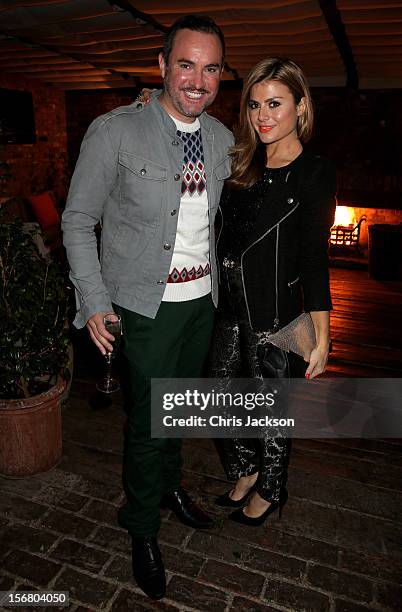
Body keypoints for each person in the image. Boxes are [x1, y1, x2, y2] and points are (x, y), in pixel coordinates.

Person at [62, 15, 233, 600]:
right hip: (144, 306)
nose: (197, 80)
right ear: (161, 65)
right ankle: (140, 526)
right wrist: (93, 303)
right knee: (150, 421)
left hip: (201, 302)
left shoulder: (220, 138)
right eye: (186, 64)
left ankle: (168, 487)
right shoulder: (114, 132)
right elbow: (78, 220)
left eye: (210, 68)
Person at [211, 57, 336, 525]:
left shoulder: (314, 172)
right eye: (255, 105)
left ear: (300, 106)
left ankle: (272, 487)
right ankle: (244, 470)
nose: (263, 115)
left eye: (275, 104)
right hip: (228, 304)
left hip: (274, 310)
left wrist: (322, 336)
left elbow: (314, 258)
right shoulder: (242, 162)